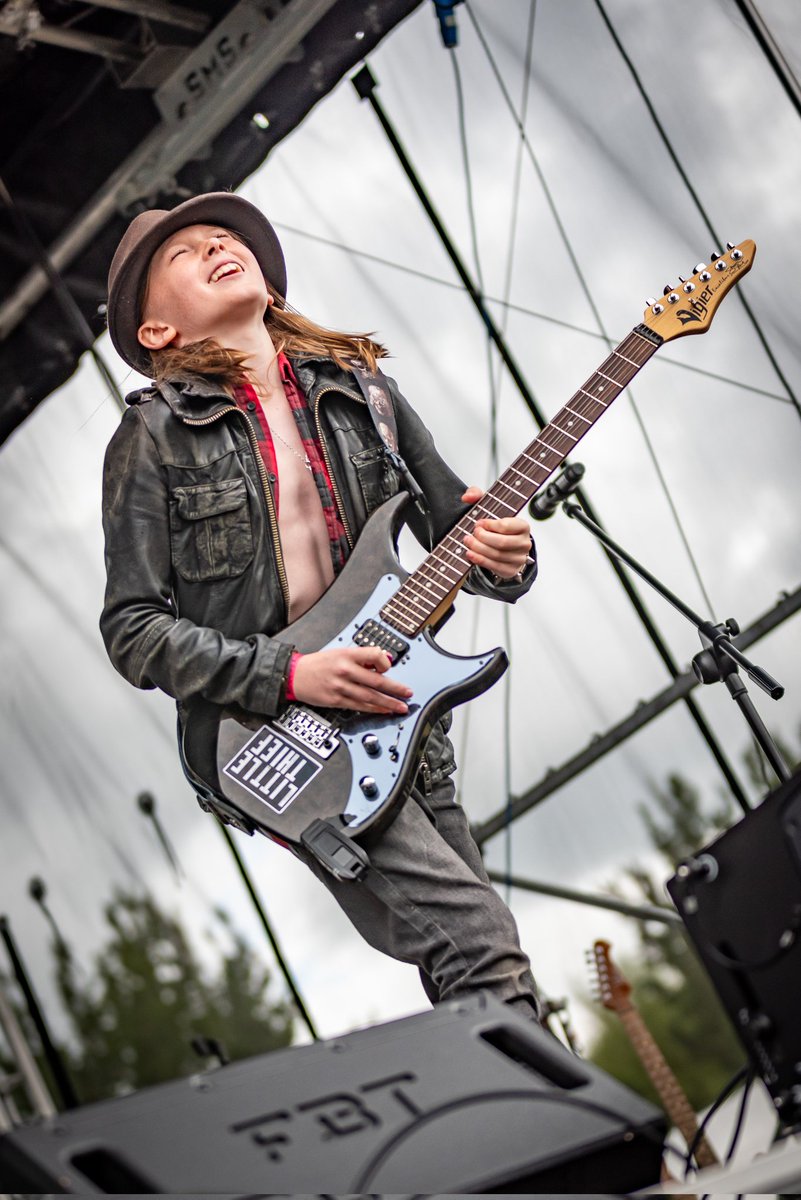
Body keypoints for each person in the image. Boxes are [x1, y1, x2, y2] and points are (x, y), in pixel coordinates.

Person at [101, 191, 541, 1019]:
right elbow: (132, 631)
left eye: (224, 236)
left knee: (482, 969)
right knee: (481, 945)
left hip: (403, 711)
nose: (217, 245)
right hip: (275, 736)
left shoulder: (360, 390)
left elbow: (463, 535)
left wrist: (506, 557)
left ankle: (555, 1134)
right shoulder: (151, 437)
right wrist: (292, 673)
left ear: (268, 286)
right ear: (156, 331)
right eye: (183, 253)